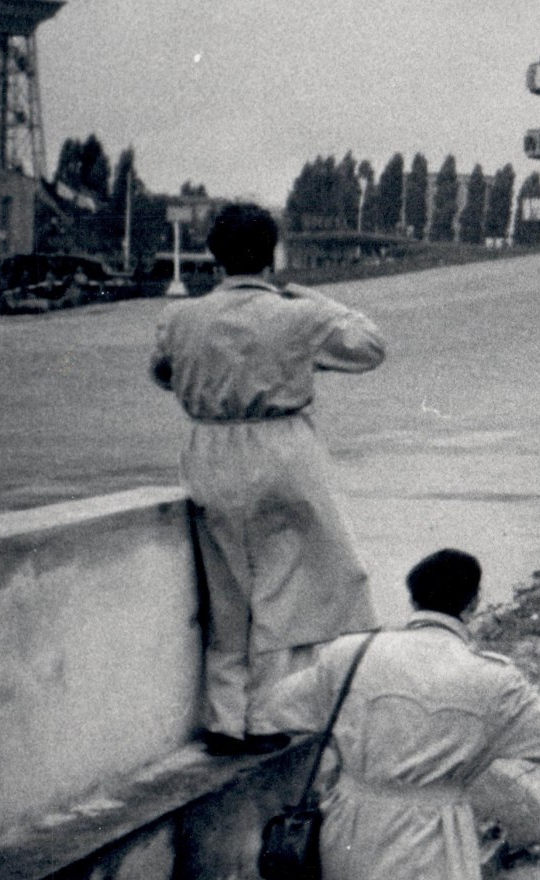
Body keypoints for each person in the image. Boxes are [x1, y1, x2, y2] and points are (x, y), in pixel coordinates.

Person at [151, 203, 386, 756]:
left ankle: (224, 717)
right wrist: (317, 303)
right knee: (283, 585)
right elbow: (370, 347)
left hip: (209, 448)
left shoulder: (180, 317)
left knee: (227, 588)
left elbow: (164, 374)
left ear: (215, 254)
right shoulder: (295, 315)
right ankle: (266, 717)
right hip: (279, 447)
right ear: (273, 251)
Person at [273, 549, 540, 880]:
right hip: (433, 826)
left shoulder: (351, 653)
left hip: (351, 819)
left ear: (412, 597)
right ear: (472, 604)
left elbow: (280, 707)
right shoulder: (491, 677)